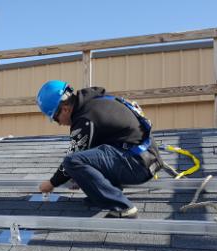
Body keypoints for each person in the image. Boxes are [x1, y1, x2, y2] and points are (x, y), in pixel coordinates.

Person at [36, 80, 163, 218]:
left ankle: (123, 207)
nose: (59, 123)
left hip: (138, 165)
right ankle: (104, 193)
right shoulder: (94, 102)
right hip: (144, 158)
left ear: (65, 109)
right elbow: (92, 154)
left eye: (55, 118)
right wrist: (80, 177)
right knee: (83, 159)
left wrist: (51, 183)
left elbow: (72, 159)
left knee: (71, 162)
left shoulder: (84, 119)